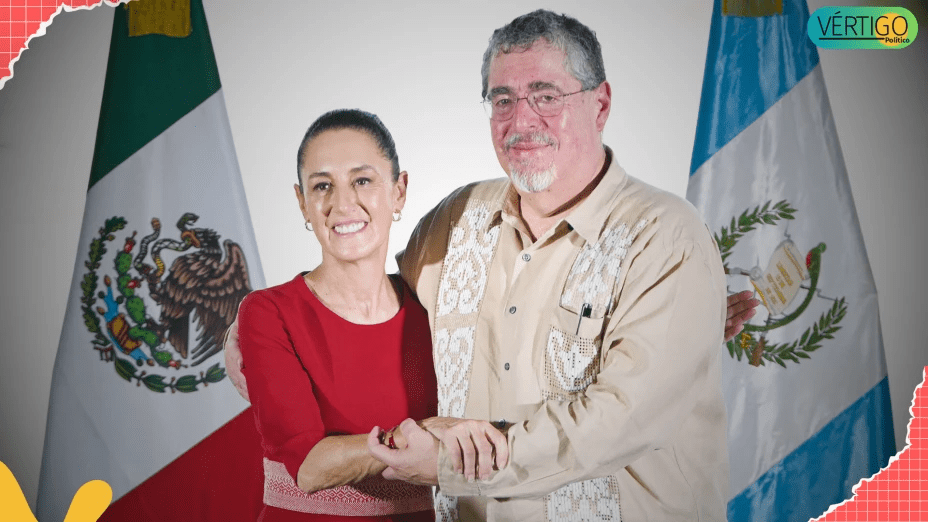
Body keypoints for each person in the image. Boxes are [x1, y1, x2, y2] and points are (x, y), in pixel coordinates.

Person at [226, 10, 761, 522]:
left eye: (545, 96)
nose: (521, 121)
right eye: (503, 99)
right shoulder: (456, 219)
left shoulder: (663, 237)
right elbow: (371, 306)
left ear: (600, 104)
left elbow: (622, 418)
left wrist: (451, 460)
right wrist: (260, 331)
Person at [235, 109, 500, 521]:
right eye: (322, 186)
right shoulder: (269, 312)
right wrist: (418, 434)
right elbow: (309, 467)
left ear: (399, 191)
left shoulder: (432, 307)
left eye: (362, 180)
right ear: (303, 203)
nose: (342, 204)